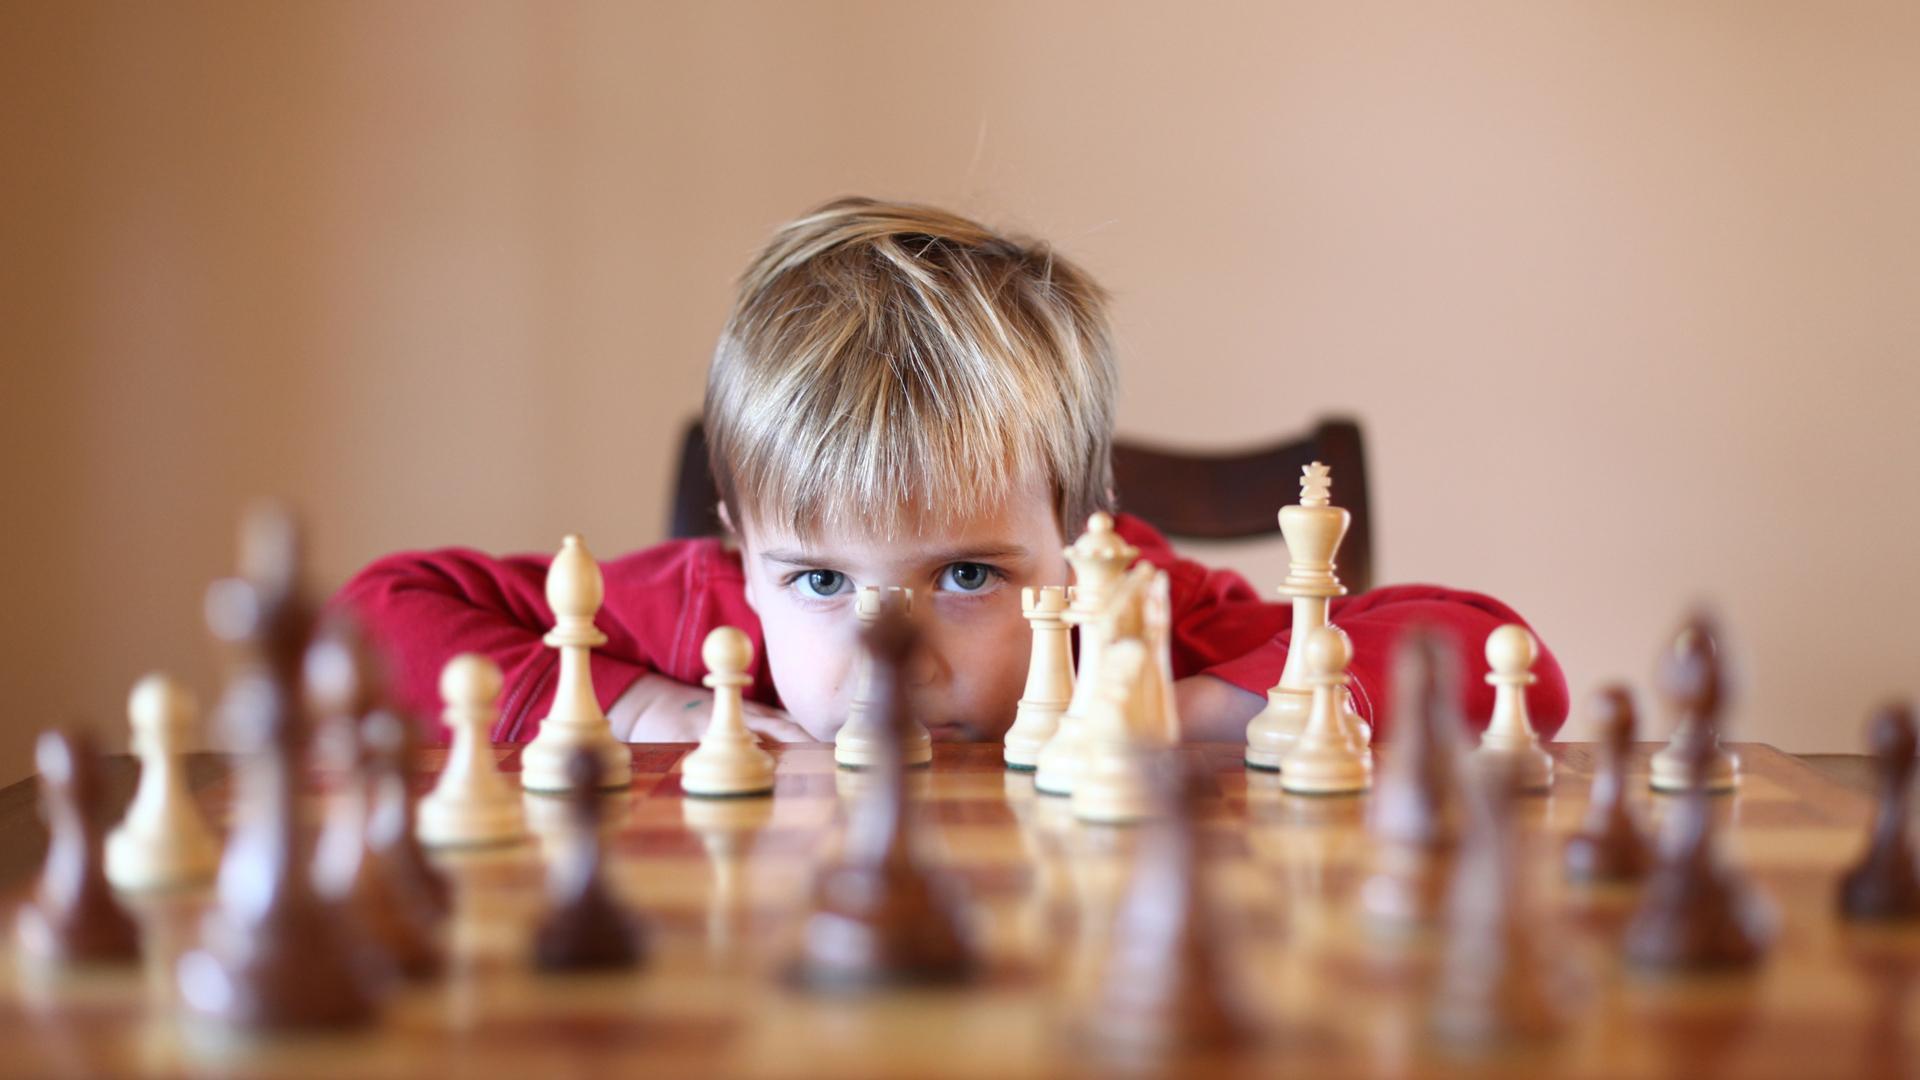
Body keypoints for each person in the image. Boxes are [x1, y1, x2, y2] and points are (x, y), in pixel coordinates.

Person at [334, 197, 1568, 746]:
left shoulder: (1132, 624)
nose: (887, 650)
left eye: (968, 572)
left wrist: (1215, 710)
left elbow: (1512, 663)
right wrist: (640, 707)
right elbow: (368, 616)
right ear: (741, 547)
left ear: (1086, 541)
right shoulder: (702, 613)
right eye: (816, 580)